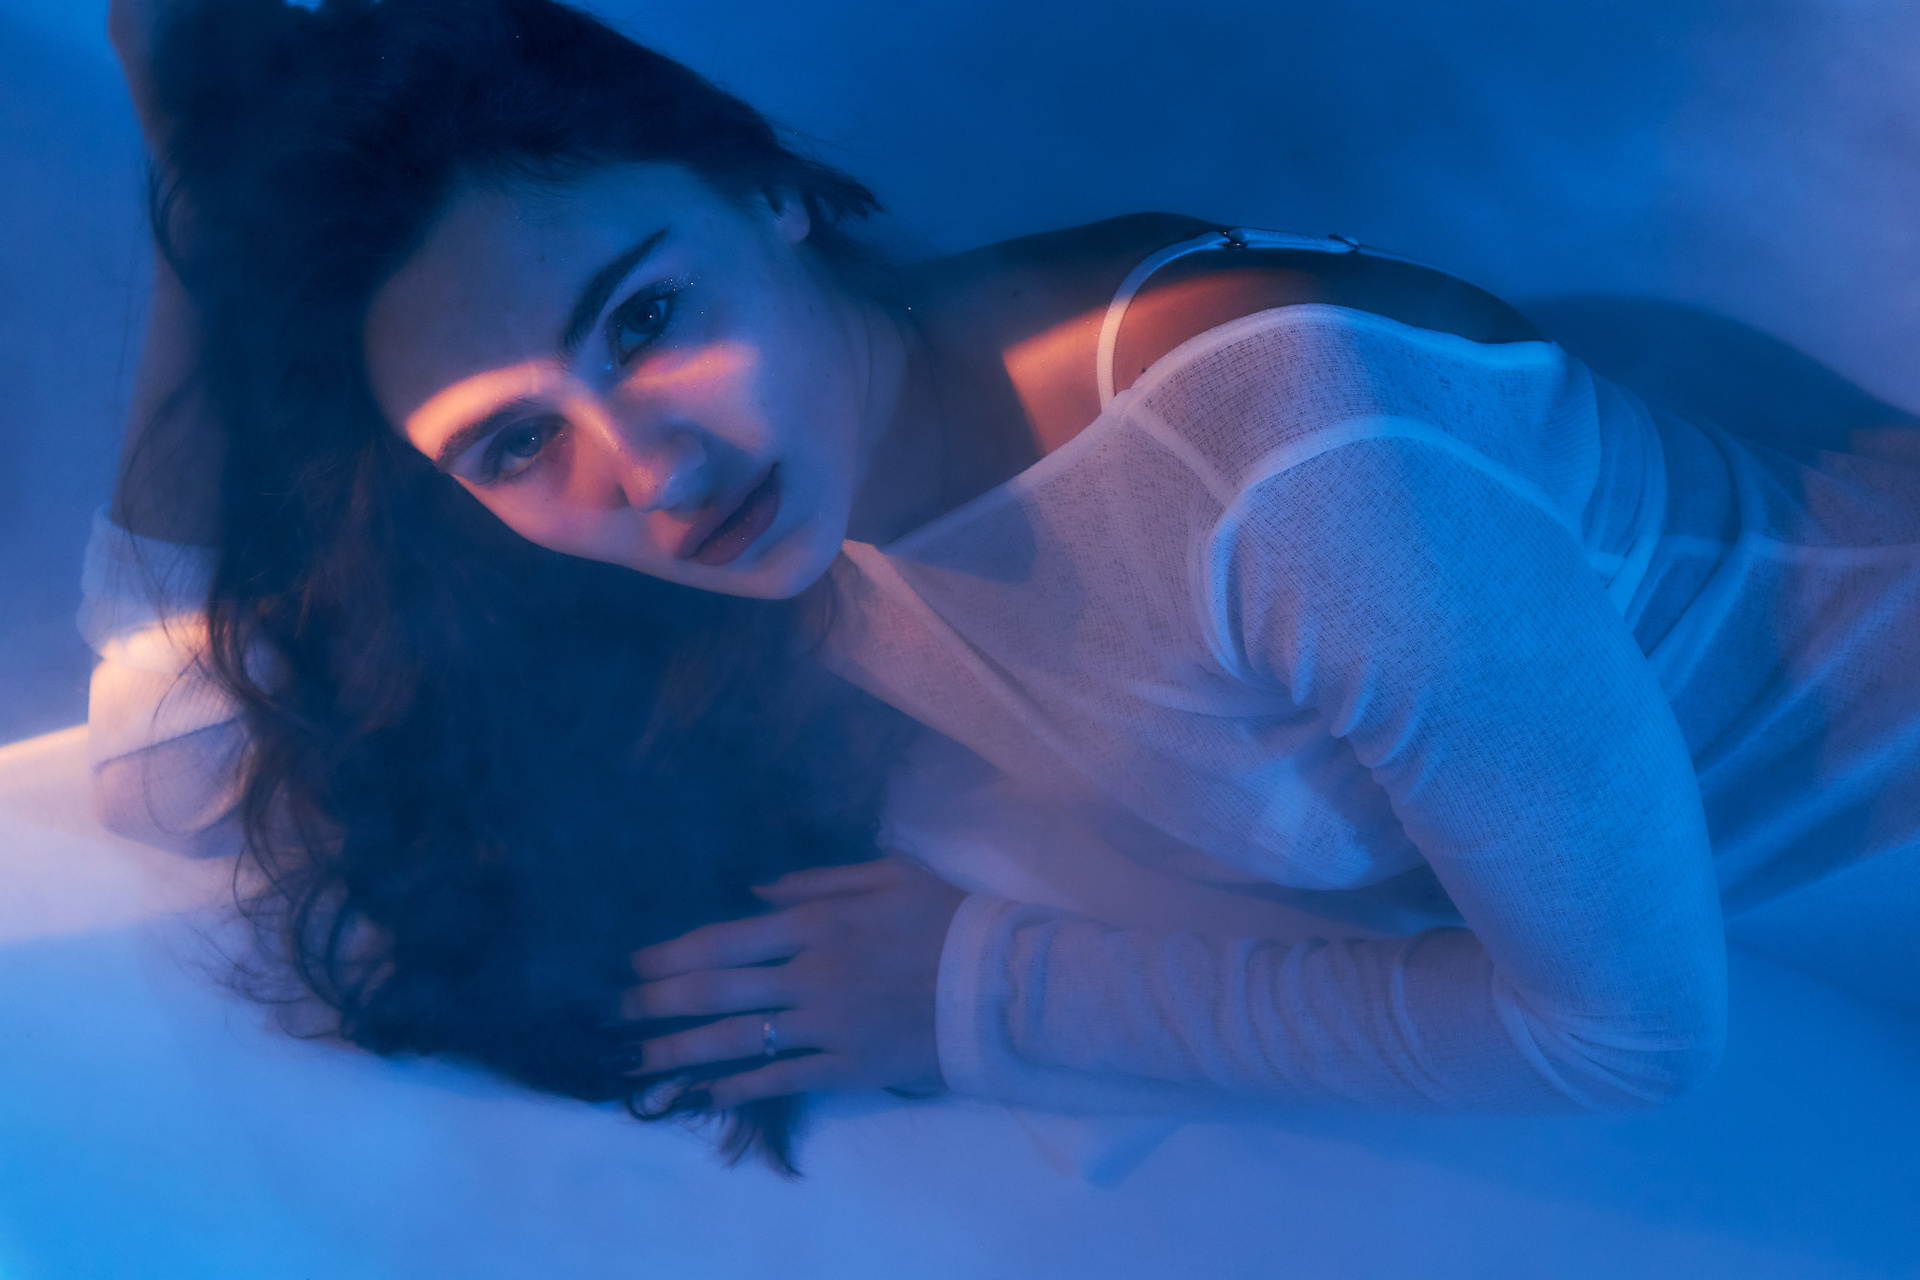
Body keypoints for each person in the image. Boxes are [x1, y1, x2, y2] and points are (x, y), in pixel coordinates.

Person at [90, 0, 1920, 1173]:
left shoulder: (1300, 461)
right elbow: (168, 742)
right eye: (510, 442)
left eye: (643, 319)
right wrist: (212, 194)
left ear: (768, 194)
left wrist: (981, 991)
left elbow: (1625, 1040)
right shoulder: (787, 510)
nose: (648, 472)